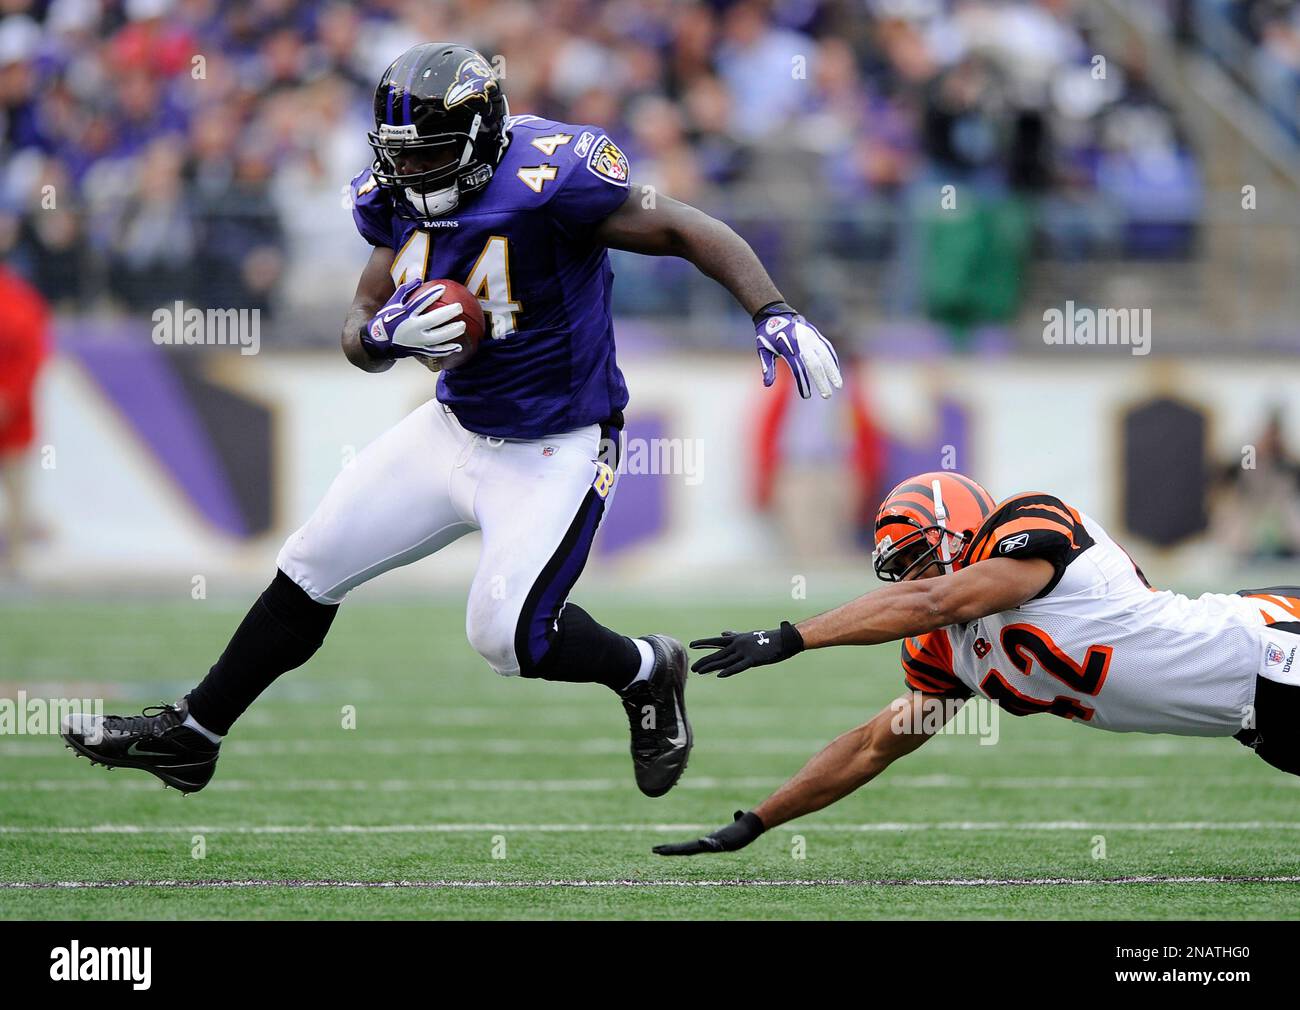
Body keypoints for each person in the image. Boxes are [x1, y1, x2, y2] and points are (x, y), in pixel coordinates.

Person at [61, 42, 842, 798]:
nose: (409, 170)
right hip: (452, 429)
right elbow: (360, 318)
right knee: (310, 563)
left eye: (429, 152)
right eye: (399, 153)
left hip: (557, 444)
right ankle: (195, 735)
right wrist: (378, 336)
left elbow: (681, 227)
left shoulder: (552, 177)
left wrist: (771, 310)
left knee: (507, 637)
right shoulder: (393, 193)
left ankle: (646, 668)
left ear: (479, 135)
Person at [655, 470, 1300, 855]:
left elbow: (935, 597)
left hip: (1276, 645)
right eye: (898, 571)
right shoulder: (952, 648)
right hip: (1257, 721)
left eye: (916, 557)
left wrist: (791, 636)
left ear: (960, 528)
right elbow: (871, 748)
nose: (910, 578)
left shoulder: (1029, 525)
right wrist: (759, 821)